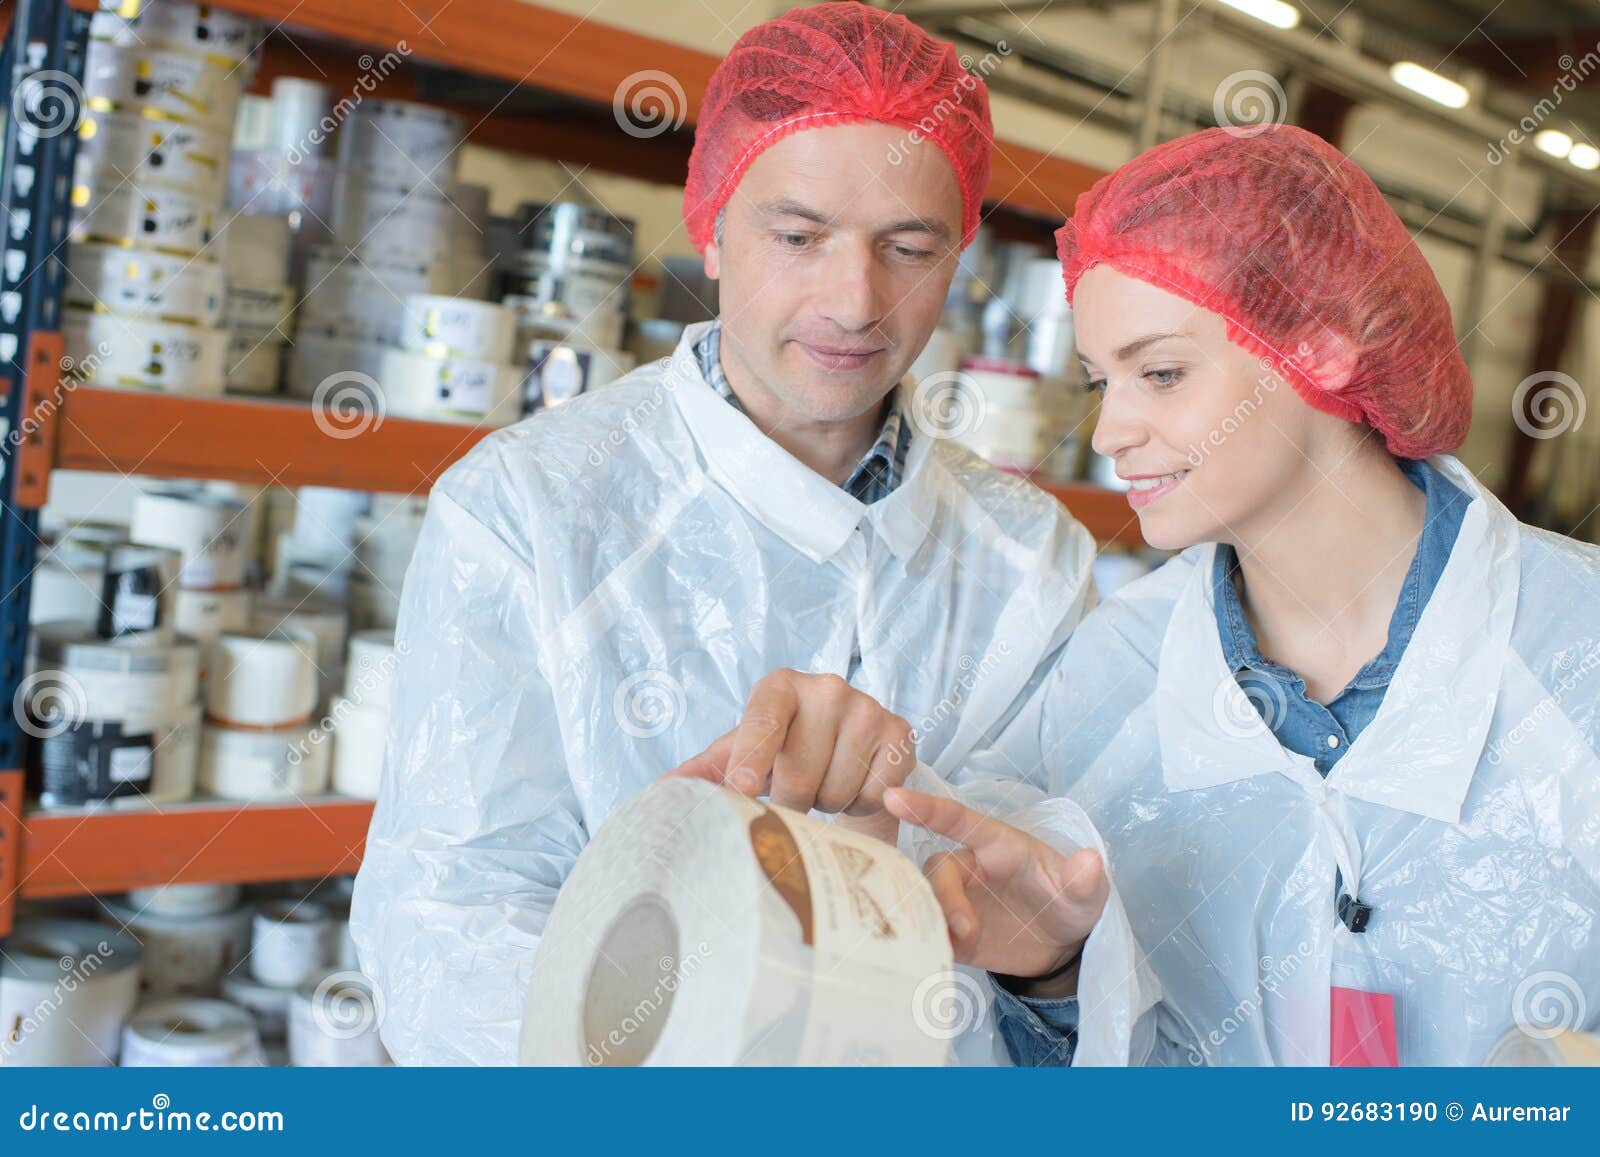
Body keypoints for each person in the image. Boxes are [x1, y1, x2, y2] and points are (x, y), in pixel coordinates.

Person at [692, 124, 1600, 1065]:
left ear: (1326, 347)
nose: (1113, 430)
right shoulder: (1109, 677)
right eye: (1100, 380)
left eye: (1160, 373)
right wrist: (1048, 969)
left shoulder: (1578, 648)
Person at [350, 3, 1113, 1066]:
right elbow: (444, 928)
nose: (853, 301)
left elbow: (1069, 941)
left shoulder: (1034, 561)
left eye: (909, 246)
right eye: (797, 237)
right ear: (709, 224)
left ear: (960, 256)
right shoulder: (526, 511)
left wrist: (1045, 959)